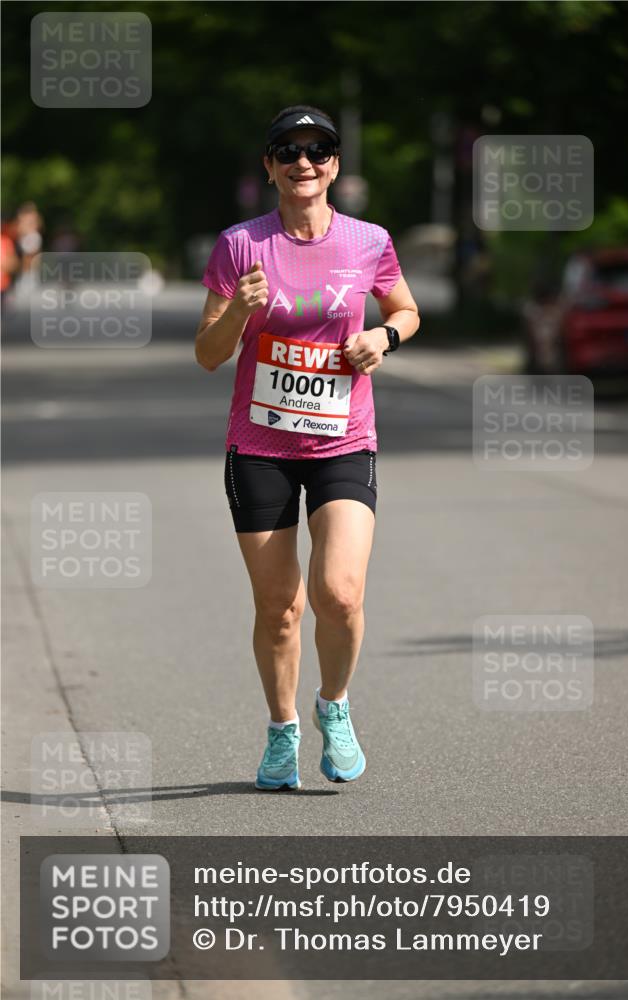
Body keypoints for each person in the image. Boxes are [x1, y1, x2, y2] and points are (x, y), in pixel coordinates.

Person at [195, 105, 420, 790]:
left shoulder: (368, 241)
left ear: (335, 165)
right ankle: (281, 729)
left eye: (317, 150)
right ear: (269, 167)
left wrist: (382, 338)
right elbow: (208, 354)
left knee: (340, 595)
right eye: (287, 151)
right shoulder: (240, 245)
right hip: (259, 446)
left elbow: (405, 310)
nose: (303, 162)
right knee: (279, 607)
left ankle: (335, 705)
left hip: (343, 440)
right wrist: (240, 308)